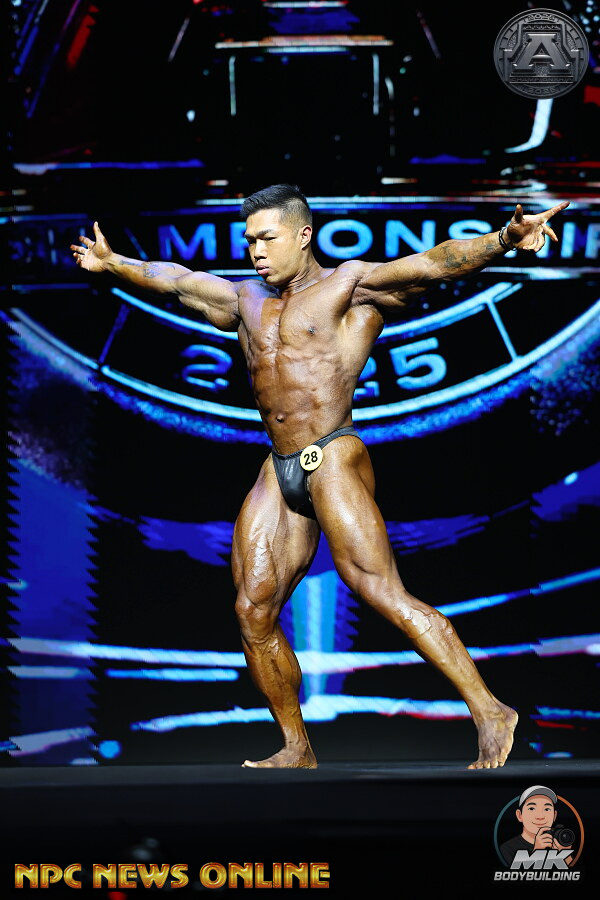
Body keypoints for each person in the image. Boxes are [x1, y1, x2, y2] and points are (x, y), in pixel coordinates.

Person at [71, 184, 569, 769]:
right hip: (278, 464)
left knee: (378, 589)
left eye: (268, 238)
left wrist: (505, 238)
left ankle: (491, 711)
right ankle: (296, 745)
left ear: (304, 235)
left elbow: (433, 264)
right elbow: (175, 279)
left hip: (332, 453)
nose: (256, 251)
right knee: (253, 610)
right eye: (250, 240)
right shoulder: (243, 299)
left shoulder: (348, 286)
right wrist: (113, 263)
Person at [500, 785, 574, 866]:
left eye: (547, 809)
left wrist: (565, 854)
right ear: (519, 815)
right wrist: (537, 851)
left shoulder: (558, 843)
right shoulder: (507, 848)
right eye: (532, 808)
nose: (540, 816)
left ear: (554, 816)